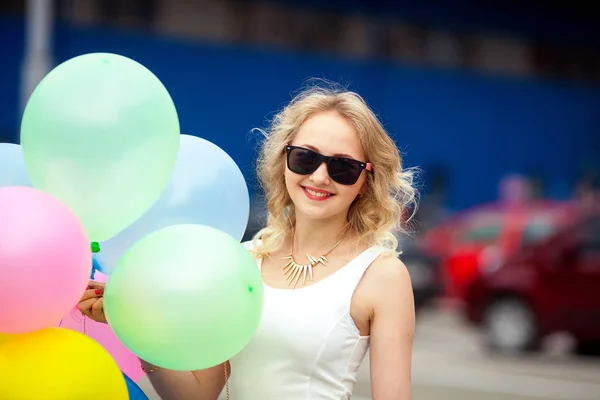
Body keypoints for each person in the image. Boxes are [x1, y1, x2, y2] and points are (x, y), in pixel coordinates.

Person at [78, 82, 418, 400]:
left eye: (343, 167)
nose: (319, 176)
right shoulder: (239, 261)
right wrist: (135, 325)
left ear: (366, 179)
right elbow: (199, 394)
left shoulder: (381, 276)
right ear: (283, 159)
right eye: (305, 157)